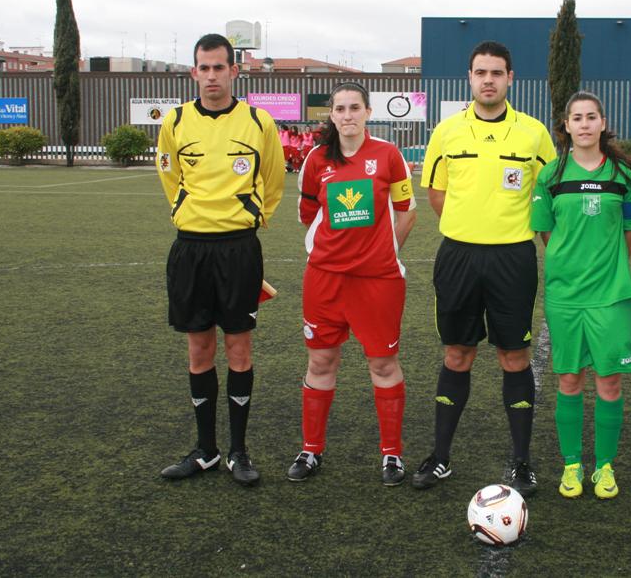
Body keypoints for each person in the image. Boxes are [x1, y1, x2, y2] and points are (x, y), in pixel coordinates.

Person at [411, 41, 556, 497]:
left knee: (515, 356)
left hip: (513, 257)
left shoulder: (533, 133)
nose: (488, 80)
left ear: (510, 78)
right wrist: (469, 226)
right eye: (480, 72)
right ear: (470, 78)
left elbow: (547, 195)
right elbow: (437, 194)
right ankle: (440, 457)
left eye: (496, 72)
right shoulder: (447, 132)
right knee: (458, 353)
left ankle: (521, 463)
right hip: (459, 255)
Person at [156, 33, 286, 486]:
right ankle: (205, 450)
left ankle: (238, 452)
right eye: (204, 68)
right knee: (198, 349)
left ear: (234, 71)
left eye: (219, 67)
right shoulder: (175, 121)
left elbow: (274, 178)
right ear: (194, 72)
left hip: (238, 249)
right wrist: (185, 211)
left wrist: (253, 216)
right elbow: (168, 174)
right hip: (190, 248)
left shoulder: (258, 121)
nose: (211, 76)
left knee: (239, 349)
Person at [287, 83, 417, 486]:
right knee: (321, 362)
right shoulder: (316, 160)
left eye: (354, 108)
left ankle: (392, 454)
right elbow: (309, 215)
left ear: (367, 112)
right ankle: (311, 449)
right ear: (331, 114)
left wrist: (384, 251)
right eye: (340, 109)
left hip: (378, 281)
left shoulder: (389, 155)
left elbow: (406, 210)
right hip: (325, 280)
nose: (347, 115)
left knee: (383, 363)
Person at [531, 92, 631, 500]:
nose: (585, 124)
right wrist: (570, 261)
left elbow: (630, 232)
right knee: (570, 379)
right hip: (565, 294)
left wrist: (606, 267)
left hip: (610, 294)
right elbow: (545, 231)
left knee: (609, 381)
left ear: (602, 122)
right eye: (577, 118)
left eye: (591, 117)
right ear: (567, 126)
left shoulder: (623, 174)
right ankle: (572, 464)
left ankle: (605, 466)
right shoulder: (551, 175)